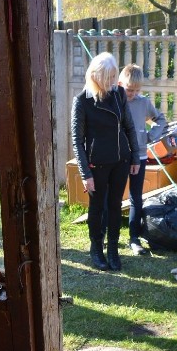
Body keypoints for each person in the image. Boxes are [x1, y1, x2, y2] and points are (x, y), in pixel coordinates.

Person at [71, 52, 140, 271]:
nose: (112, 81)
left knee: (115, 205)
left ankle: (113, 251)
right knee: (97, 207)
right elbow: (77, 140)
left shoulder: (119, 93)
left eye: (114, 76)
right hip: (96, 164)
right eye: (108, 77)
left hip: (121, 160)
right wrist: (85, 174)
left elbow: (129, 125)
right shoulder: (82, 101)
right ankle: (96, 250)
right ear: (96, 75)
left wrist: (135, 156)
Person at [117, 64, 167, 256]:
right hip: (119, 157)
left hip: (139, 155)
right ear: (120, 84)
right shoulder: (115, 100)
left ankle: (134, 238)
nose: (133, 94)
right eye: (130, 90)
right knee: (113, 197)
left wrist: (149, 136)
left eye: (137, 90)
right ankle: (108, 235)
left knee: (136, 197)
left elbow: (160, 119)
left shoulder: (143, 102)